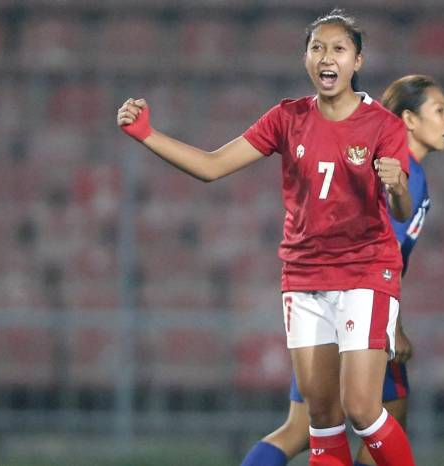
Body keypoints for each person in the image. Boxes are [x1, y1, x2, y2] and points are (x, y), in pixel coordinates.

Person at [118, 9, 417, 466]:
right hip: (303, 277)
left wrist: (396, 184)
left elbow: (400, 210)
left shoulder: (383, 126)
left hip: (364, 272)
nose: (326, 57)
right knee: (321, 418)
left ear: (357, 60)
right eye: (317, 47)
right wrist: (147, 135)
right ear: (305, 59)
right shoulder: (287, 117)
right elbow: (213, 166)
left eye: (338, 48)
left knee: (361, 406)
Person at [241, 74, 444, 466]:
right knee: (382, 416)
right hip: (357, 305)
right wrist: (396, 325)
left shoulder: (393, 165)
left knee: (305, 426)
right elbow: (380, 247)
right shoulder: (405, 175)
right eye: (439, 111)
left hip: (329, 298)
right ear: (408, 119)